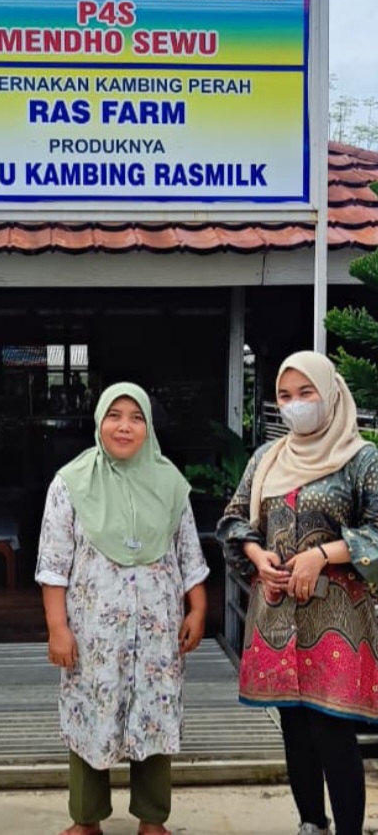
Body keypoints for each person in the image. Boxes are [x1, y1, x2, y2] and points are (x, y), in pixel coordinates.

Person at [35, 382, 209, 835]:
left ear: (149, 426)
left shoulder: (170, 483)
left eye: (136, 417)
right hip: (94, 633)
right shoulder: (70, 483)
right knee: (90, 714)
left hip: (158, 632)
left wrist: (197, 608)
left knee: (155, 713)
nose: (125, 426)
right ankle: (86, 820)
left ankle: (153, 820)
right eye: (114, 415)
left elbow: (189, 554)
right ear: (99, 422)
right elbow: (53, 565)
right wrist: (57, 627)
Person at [217, 350, 378, 835]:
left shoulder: (362, 459)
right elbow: (234, 518)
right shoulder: (268, 458)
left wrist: (322, 555)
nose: (295, 405)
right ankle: (311, 823)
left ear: (330, 393)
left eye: (306, 393)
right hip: (277, 615)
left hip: (337, 621)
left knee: (332, 728)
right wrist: (256, 554)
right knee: (294, 726)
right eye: (285, 396)